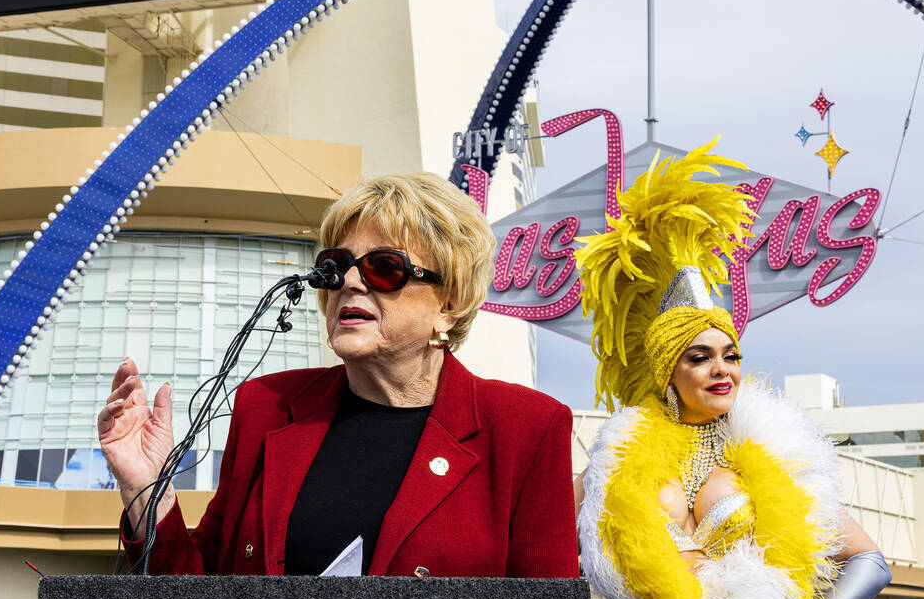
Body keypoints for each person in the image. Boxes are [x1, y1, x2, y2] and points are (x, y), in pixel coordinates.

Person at [98, 171, 578, 578]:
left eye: (384, 268)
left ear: (447, 305)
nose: (349, 281)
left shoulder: (526, 429)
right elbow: (197, 596)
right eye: (335, 265)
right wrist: (146, 488)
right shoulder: (265, 407)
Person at [573, 143, 891, 599]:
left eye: (731, 354)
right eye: (699, 357)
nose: (722, 369)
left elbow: (869, 561)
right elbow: (539, 560)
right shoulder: (613, 465)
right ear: (669, 370)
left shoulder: (772, 453)